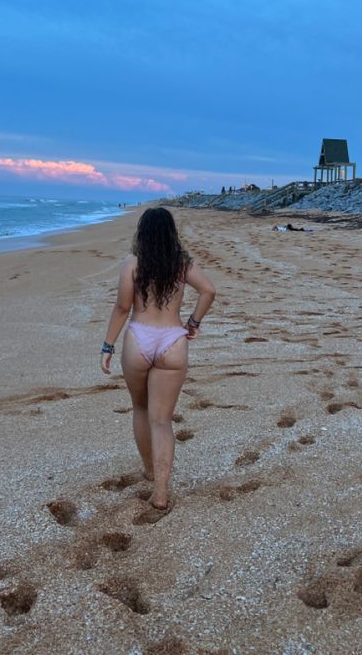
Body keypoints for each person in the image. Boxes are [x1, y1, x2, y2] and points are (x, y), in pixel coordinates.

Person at [100, 207, 216, 511]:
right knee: (162, 420)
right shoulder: (182, 263)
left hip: (139, 339)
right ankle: (161, 492)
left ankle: (150, 471)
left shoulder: (132, 263)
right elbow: (208, 290)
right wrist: (193, 323)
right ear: (170, 233)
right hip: (172, 341)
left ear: (143, 232)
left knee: (140, 408)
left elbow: (123, 307)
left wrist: (107, 345)